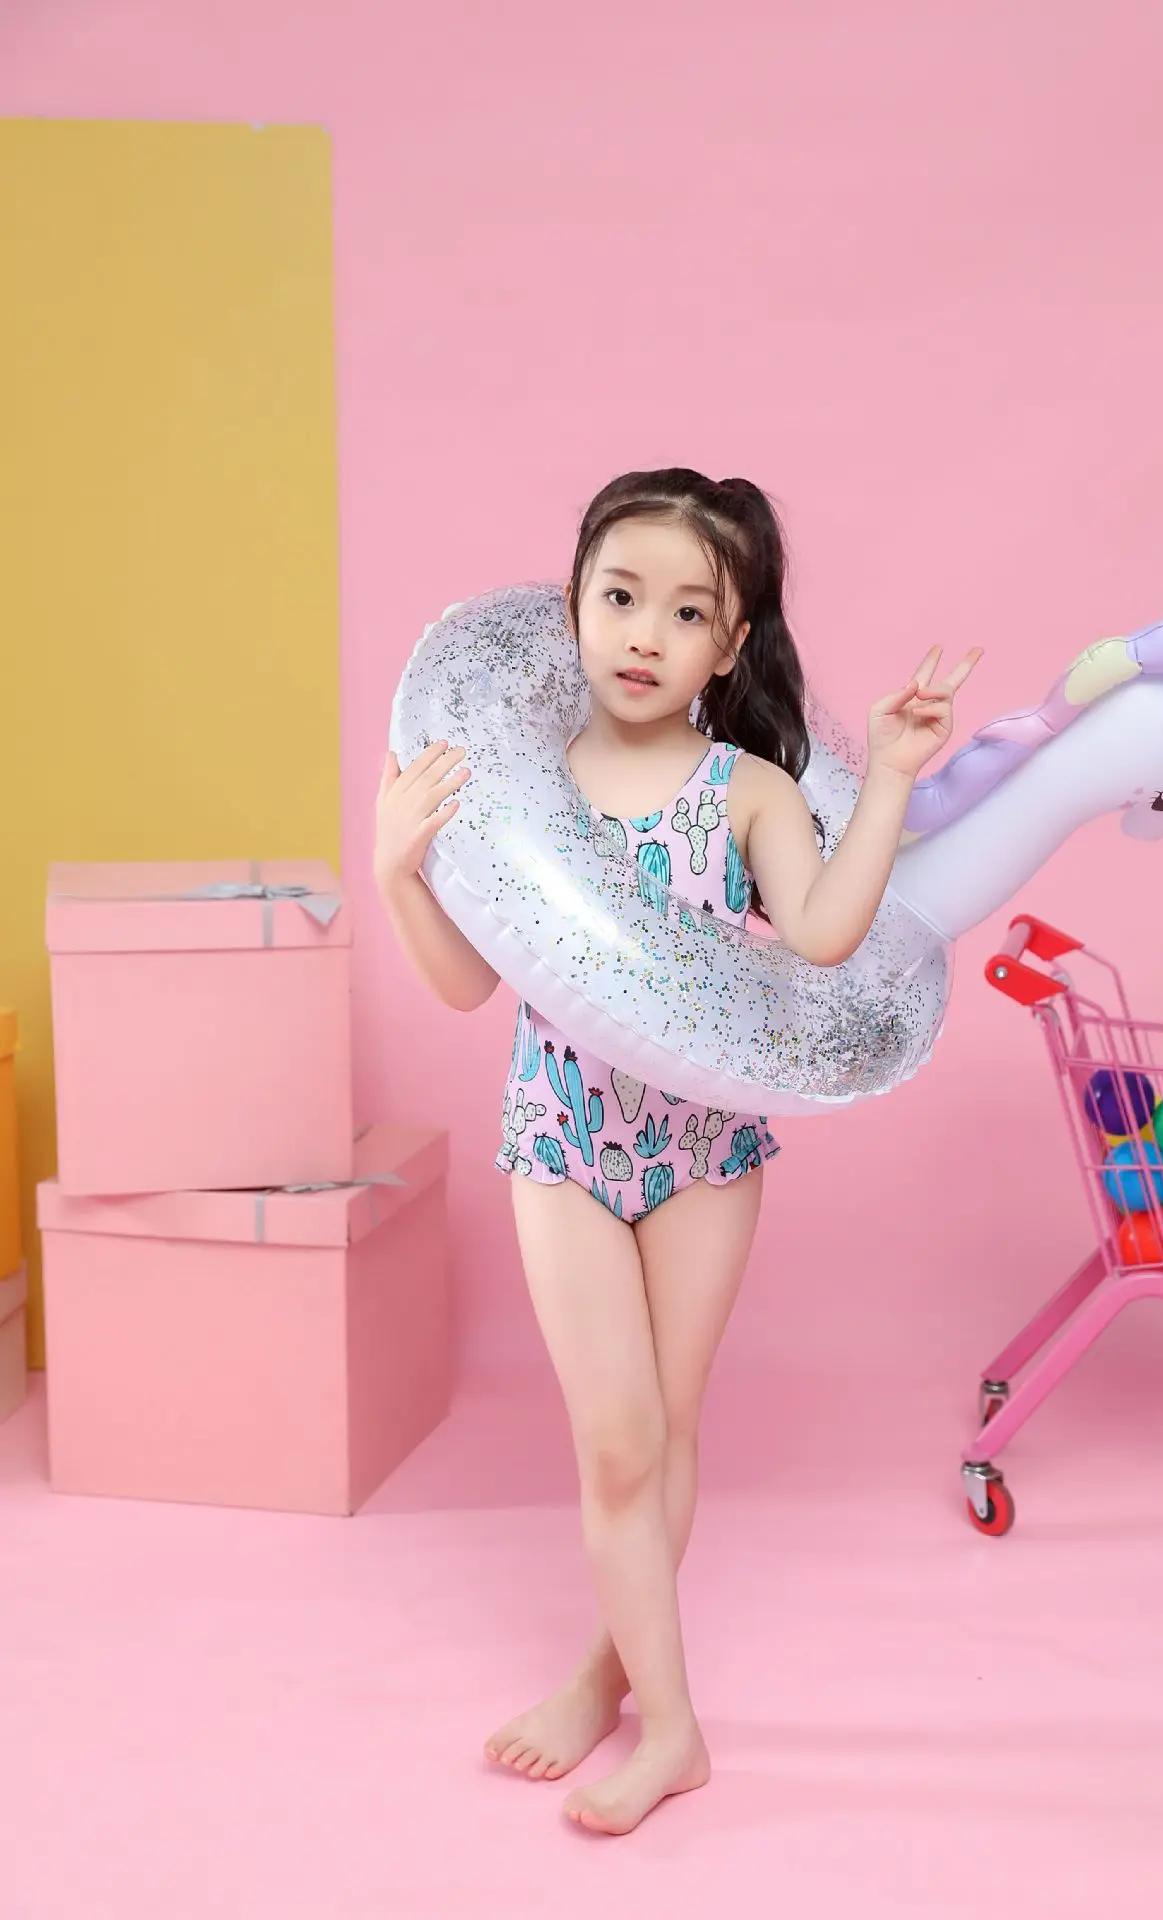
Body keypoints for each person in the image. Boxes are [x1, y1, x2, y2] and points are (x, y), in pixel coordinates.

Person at [375, 469, 979, 1835]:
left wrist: (888, 776)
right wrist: (394, 867)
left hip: (702, 1152)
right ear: (573, 606)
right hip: (562, 1137)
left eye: (689, 612)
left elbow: (823, 937)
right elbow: (465, 988)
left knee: (669, 1432)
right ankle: (673, 1729)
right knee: (617, 1445)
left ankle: (616, 1688)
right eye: (621, 596)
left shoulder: (749, 790)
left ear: (732, 643)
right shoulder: (519, 782)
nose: (646, 634)